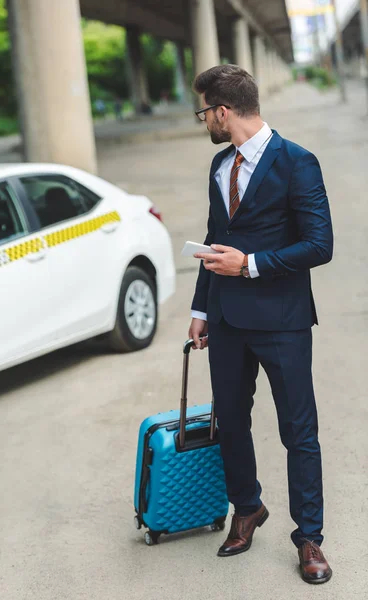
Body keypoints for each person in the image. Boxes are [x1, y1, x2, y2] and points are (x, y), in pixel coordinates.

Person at [188, 65, 333, 584]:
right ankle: (246, 508)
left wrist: (249, 263)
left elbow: (320, 245)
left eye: (204, 111)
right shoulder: (218, 165)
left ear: (223, 111)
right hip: (225, 318)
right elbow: (214, 235)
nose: (203, 120)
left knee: (299, 430)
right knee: (231, 419)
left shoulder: (297, 162)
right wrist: (201, 309)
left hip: (282, 320)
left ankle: (309, 537)